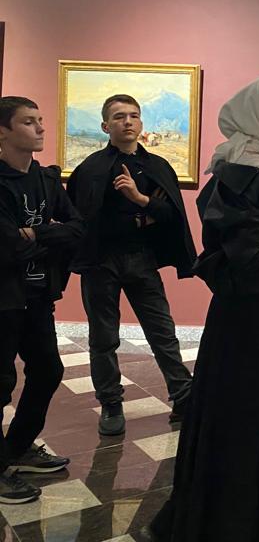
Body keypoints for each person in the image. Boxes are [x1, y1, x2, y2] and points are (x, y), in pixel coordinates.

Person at [149, 74, 259, 542]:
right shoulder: (241, 173)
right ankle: (237, 521)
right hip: (252, 320)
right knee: (246, 415)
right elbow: (246, 258)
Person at [66, 95, 196, 436]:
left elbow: (171, 215)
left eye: (134, 116)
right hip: (100, 262)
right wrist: (140, 216)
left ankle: (183, 396)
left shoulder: (158, 167)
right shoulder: (90, 168)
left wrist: (140, 199)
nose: (128, 122)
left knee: (162, 331)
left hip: (141, 258)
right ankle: (111, 402)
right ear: (105, 126)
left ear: (141, 123)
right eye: (119, 116)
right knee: (103, 337)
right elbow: (81, 218)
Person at [0, 96, 83, 504]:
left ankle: (14, 450)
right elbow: (6, 248)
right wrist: (48, 235)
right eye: (28, 122)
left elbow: (79, 229)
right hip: (3, 300)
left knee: (48, 370)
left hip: (37, 296)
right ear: (3, 131)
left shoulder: (47, 179)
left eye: (40, 120)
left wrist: (35, 233)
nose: (40, 128)